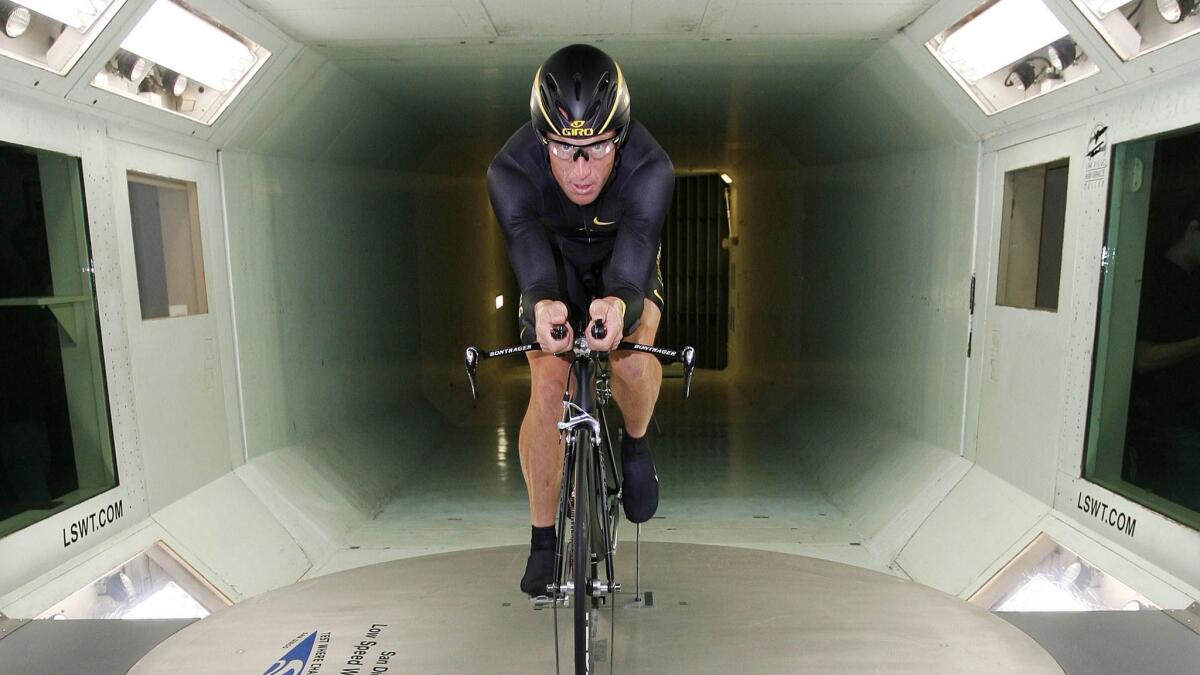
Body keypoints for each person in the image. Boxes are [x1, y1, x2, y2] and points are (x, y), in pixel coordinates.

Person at [486, 44, 674, 596]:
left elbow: (638, 247)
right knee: (548, 387)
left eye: (596, 148)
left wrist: (617, 303)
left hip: (624, 262)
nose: (582, 170)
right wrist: (544, 305)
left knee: (632, 363)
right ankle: (544, 539)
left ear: (619, 135)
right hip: (554, 264)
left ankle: (636, 446)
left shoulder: (650, 166)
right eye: (565, 151)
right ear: (543, 139)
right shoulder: (510, 170)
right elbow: (527, 251)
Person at [1128, 200, 1200, 510]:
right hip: (1173, 420)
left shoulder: (1188, 281)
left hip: (1187, 418)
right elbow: (1143, 359)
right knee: (1184, 504)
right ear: (1192, 229)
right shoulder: (1157, 281)